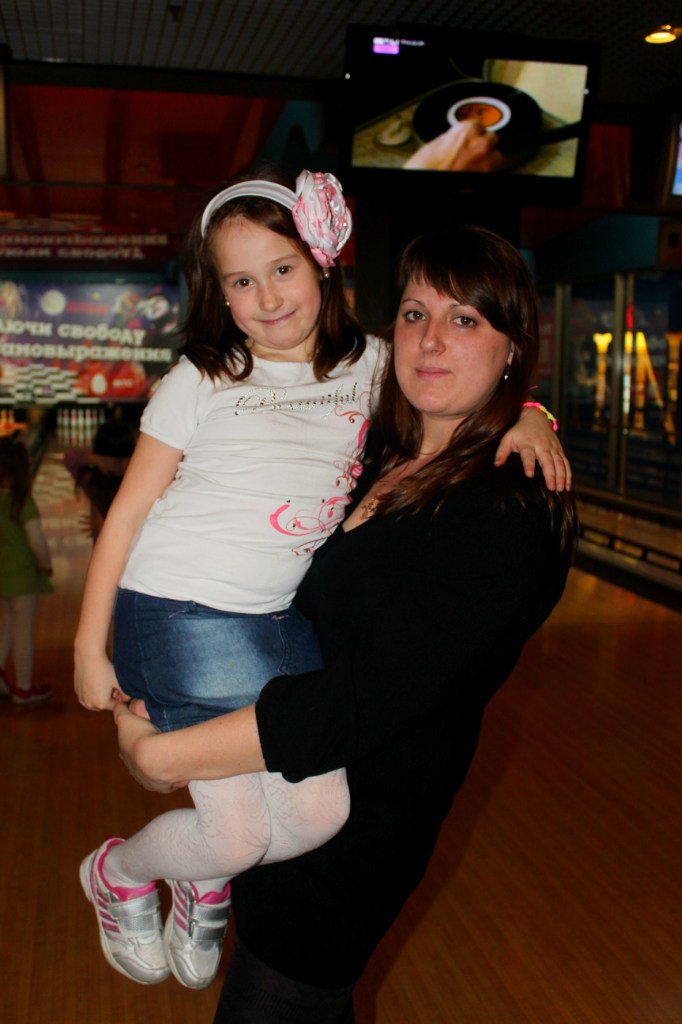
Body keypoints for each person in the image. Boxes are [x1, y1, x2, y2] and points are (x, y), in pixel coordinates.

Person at [74, 167, 568, 993]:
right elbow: (131, 517)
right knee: (244, 850)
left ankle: (168, 870)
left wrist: (530, 412)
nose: (431, 340)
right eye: (415, 314)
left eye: (465, 319)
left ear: (323, 268)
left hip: (352, 815)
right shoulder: (370, 439)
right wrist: (90, 649)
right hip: (214, 644)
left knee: (267, 869)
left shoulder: (494, 505)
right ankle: (173, 873)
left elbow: (361, 698)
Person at [0, 433, 54, 705]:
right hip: (22, 577)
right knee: (22, 632)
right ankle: (23, 688)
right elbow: (36, 540)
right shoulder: (22, 502)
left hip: (2, 577)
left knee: (7, 625)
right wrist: (46, 565)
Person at [64, 417, 136, 541]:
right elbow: (69, 458)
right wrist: (96, 460)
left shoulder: (139, 482)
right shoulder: (91, 480)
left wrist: (106, 527)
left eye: (123, 458)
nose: (118, 464)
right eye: (112, 459)